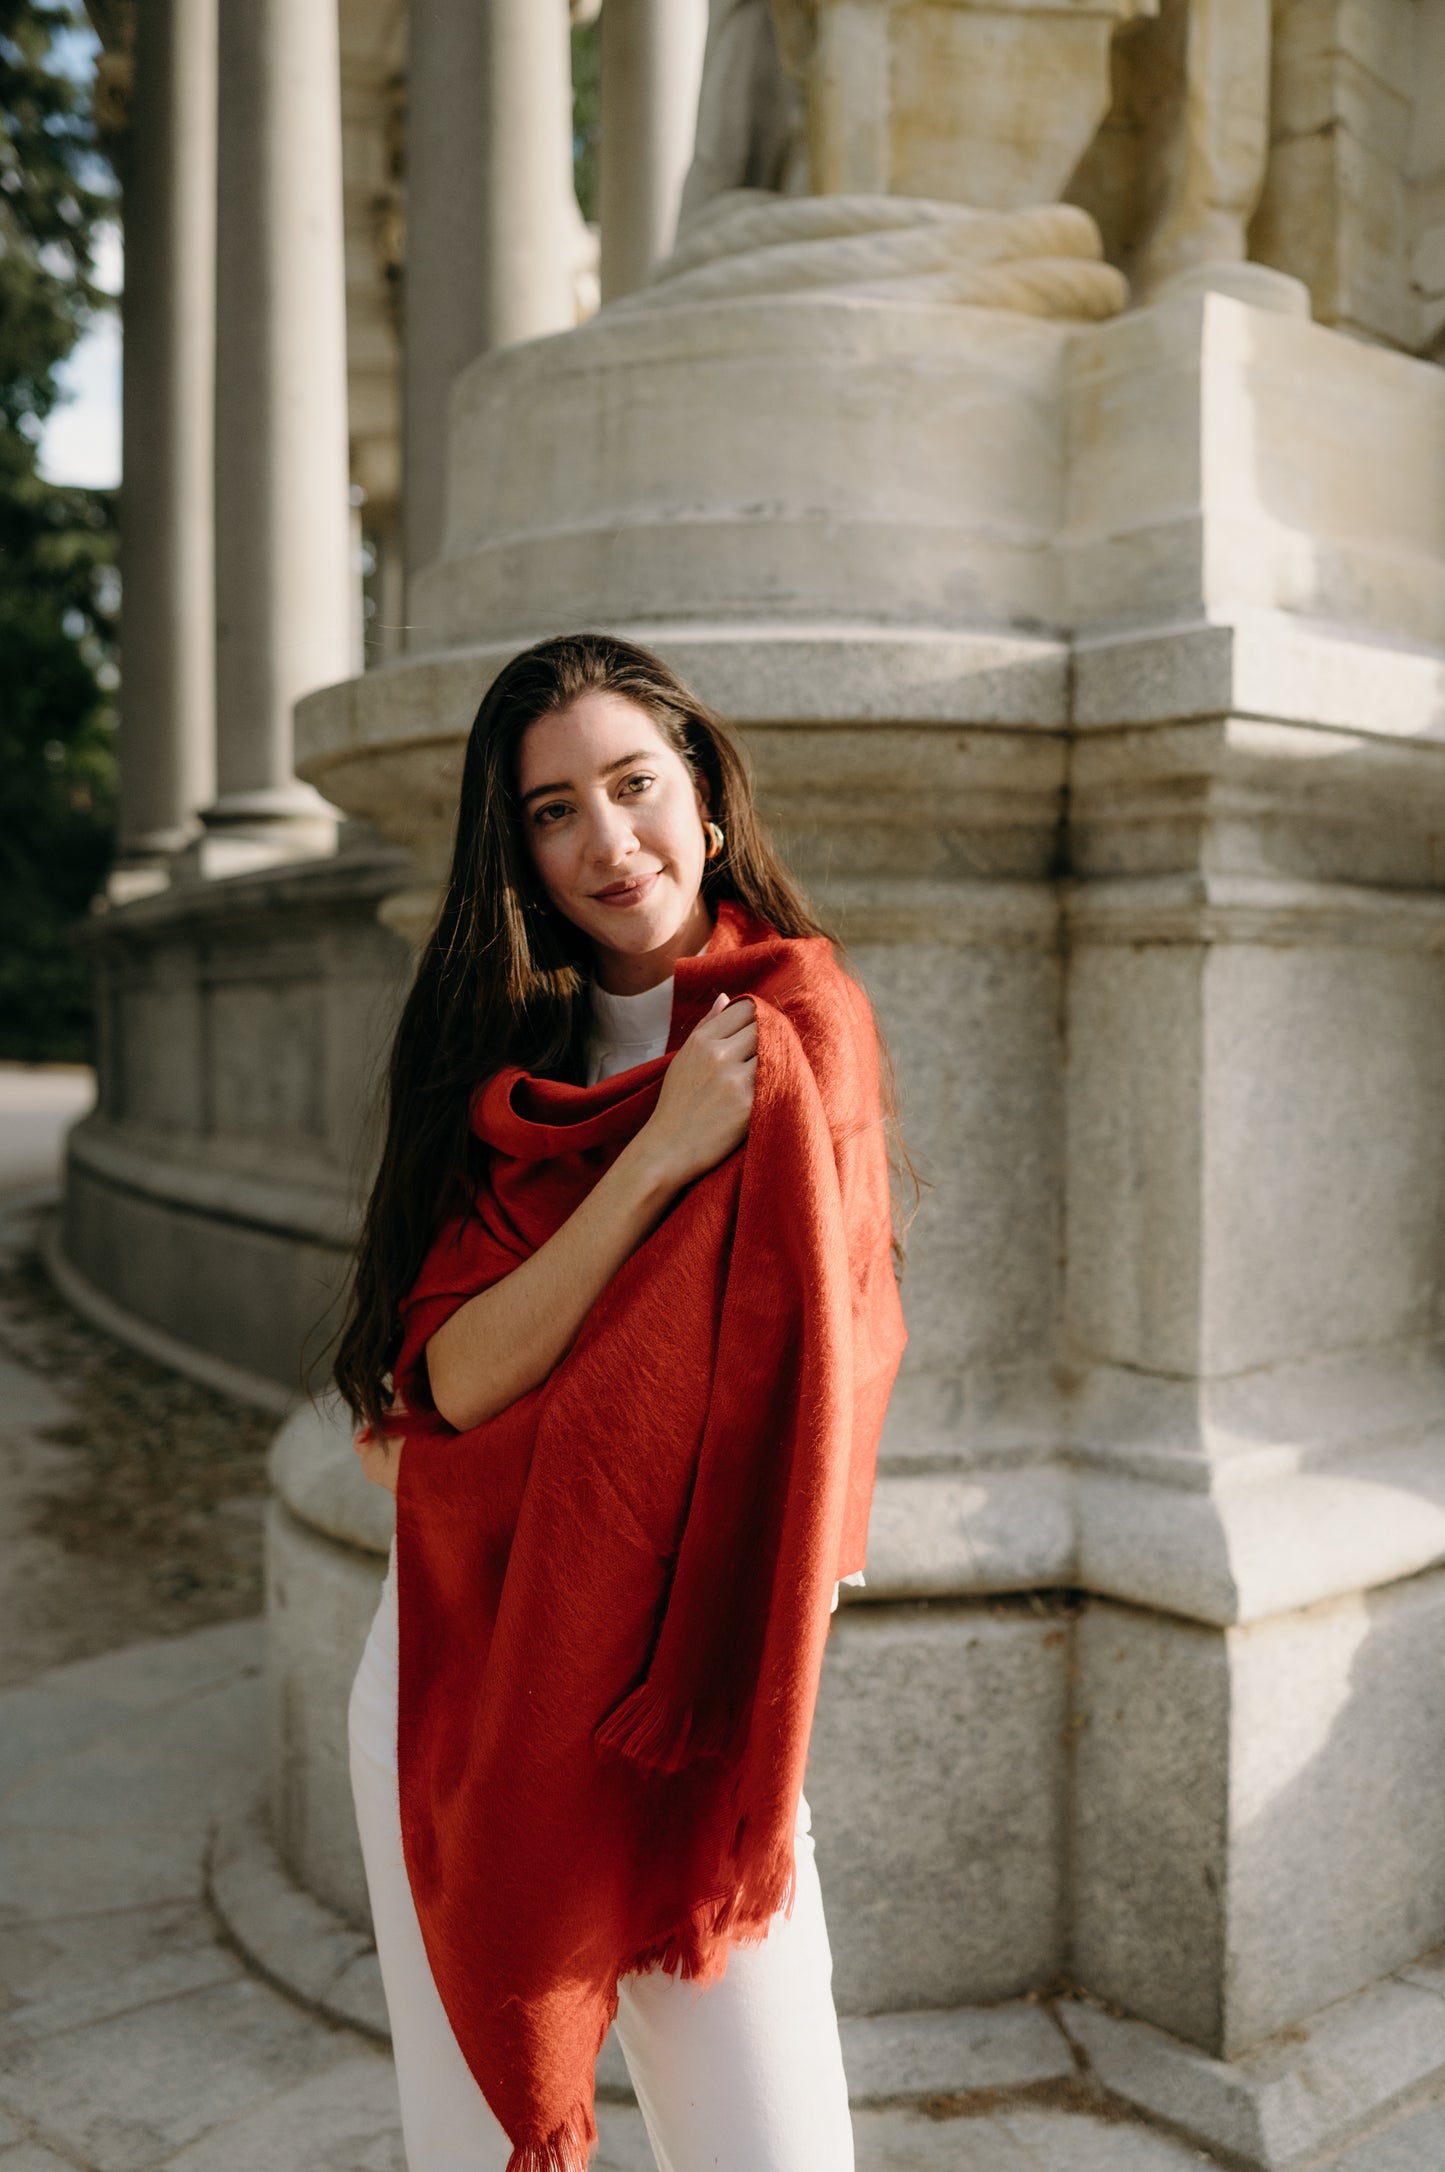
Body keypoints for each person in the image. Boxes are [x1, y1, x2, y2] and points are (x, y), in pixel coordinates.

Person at [333, 631, 911, 2172]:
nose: (606, 840)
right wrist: (657, 1154)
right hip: (468, 1672)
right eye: (551, 810)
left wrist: (540, 1405)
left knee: (775, 2151)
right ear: (516, 852)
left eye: (634, 786)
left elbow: (826, 1365)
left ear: (704, 803)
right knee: (469, 2145)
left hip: (685, 1698)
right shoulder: (501, 1058)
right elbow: (450, 1380)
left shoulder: (801, 1027)